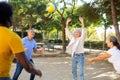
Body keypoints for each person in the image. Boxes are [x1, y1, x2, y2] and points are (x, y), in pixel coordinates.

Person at [0, 2, 42, 80]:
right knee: (17, 73)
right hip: (2, 76)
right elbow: (27, 66)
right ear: (8, 18)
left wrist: (13, 59)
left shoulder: (33, 41)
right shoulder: (13, 37)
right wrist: (37, 71)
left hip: (27, 59)